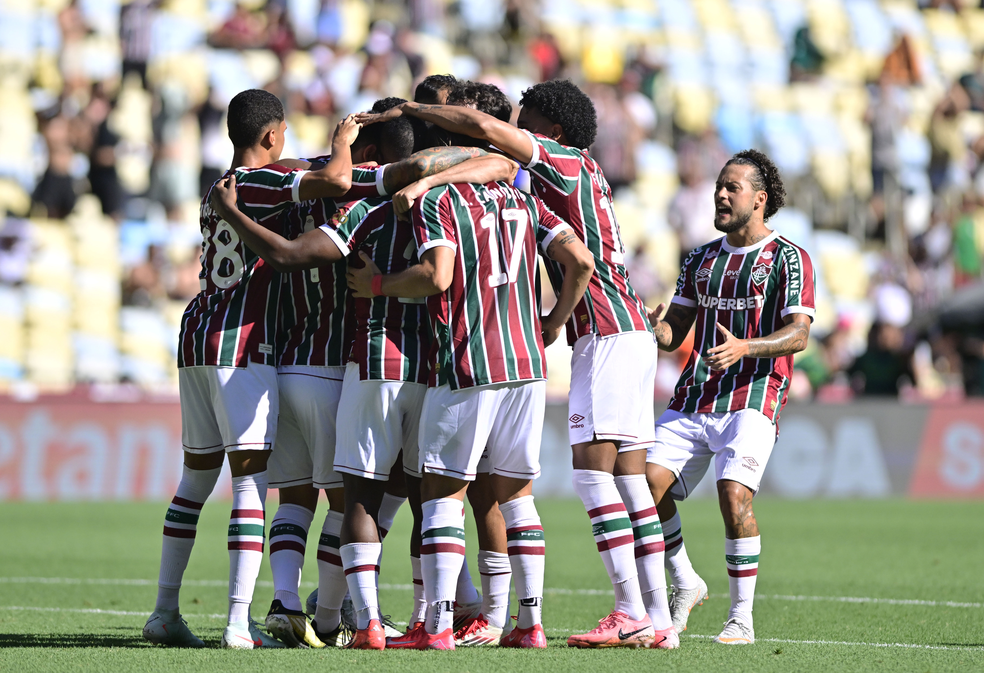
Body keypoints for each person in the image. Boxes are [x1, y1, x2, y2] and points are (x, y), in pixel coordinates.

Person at [356, 78, 678, 649]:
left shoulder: (554, 164)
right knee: (618, 482)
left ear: (549, 132)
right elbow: (569, 248)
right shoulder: (533, 196)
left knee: (573, 475)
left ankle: (623, 610)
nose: (515, 134)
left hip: (563, 338)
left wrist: (410, 111)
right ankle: (654, 617)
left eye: (524, 122)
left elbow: (484, 136)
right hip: (590, 340)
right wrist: (553, 324)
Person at [208, 121, 516, 651]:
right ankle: (369, 615)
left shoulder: (329, 193)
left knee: (317, 498)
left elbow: (291, 251)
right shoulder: (432, 201)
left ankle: (310, 607)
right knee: (415, 496)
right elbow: (466, 168)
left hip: (313, 364)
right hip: (413, 367)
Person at [142, 88, 361, 650]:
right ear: (270, 135)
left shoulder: (220, 187)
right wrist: (341, 142)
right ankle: (239, 623)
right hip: (239, 343)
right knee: (249, 481)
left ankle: (165, 611)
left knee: (195, 478)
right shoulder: (258, 182)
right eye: (284, 133)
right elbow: (337, 182)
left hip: (196, 333)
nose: (285, 142)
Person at [348, 168, 594, 651]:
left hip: (470, 361)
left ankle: (436, 626)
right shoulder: (524, 200)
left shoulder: (444, 198)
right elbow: (581, 262)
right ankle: (530, 624)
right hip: (528, 363)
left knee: (441, 493)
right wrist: (554, 321)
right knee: (517, 495)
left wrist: (377, 284)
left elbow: (435, 277)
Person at [646, 149, 815, 644]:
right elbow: (674, 332)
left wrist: (746, 348)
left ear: (759, 200)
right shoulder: (699, 259)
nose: (720, 194)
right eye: (719, 186)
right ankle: (686, 582)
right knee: (642, 489)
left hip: (757, 394)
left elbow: (799, 334)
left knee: (733, 495)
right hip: (697, 393)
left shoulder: (788, 257)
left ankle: (741, 616)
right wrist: (651, 325)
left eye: (731, 188)